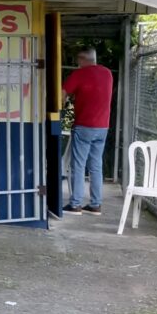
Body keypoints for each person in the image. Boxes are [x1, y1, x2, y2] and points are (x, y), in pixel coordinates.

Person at [60, 48, 113, 215]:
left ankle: (75, 204)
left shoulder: (80, 74)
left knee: (78, 165)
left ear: (83, 59)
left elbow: (62, 93)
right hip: (102, 127)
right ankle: (95, 204)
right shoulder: (107, 73)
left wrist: (61, 106)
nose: (77, 64)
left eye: (78, 60)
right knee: (96, 165)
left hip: (84, 125)